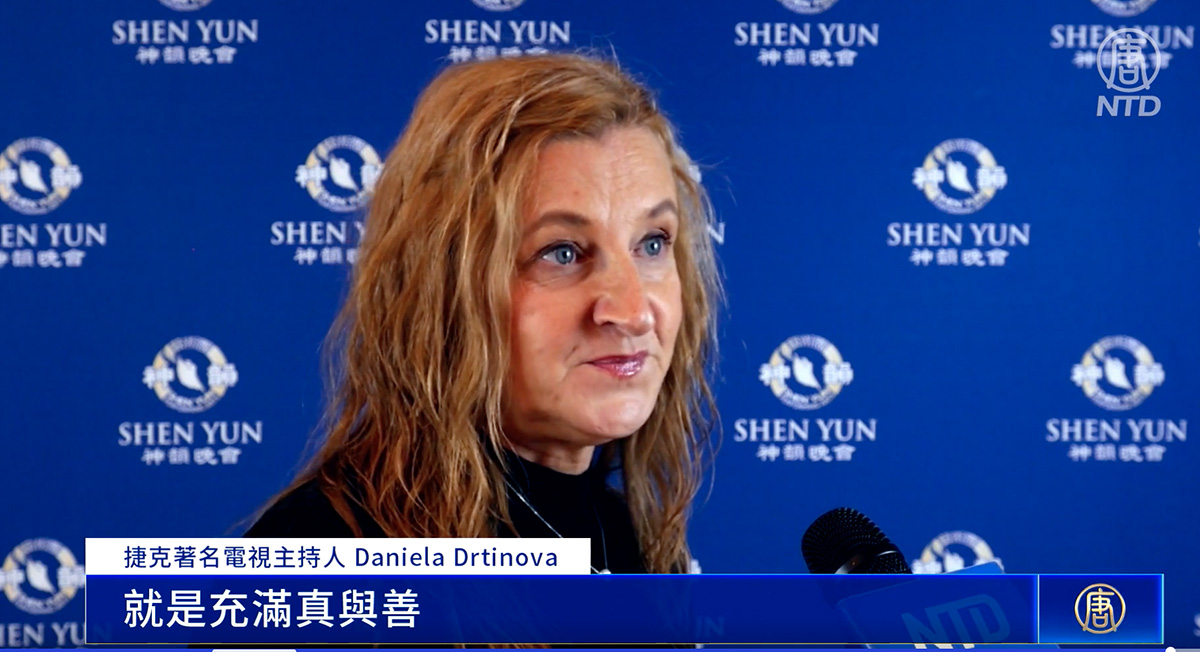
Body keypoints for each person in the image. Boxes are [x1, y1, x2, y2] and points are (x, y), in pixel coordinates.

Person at [247, 53, 721, 576]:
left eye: (653, 243)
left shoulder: (625, 535)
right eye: (562, 252)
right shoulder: (315, 557)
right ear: (444, 288)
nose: (632, 312)